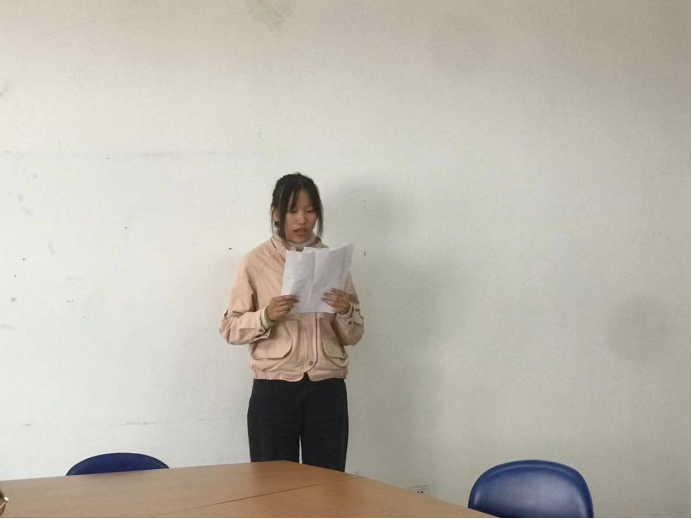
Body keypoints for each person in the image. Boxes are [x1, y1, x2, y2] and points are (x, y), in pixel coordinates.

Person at [219, 172, 365, 472]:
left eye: (310, 211)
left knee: (328, 483)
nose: (302, 220)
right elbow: (230, 328)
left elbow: (353, 335)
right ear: (276, 213)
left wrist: (345, 310)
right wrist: (266, 316)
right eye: (293, 210)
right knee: (273, 483)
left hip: (327, 385)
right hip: (275, 387)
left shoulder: (333, 260)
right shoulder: (255, 262)